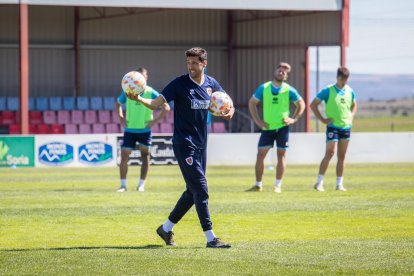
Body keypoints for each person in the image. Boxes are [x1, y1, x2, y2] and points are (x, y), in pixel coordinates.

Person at [126, 47, 235, 248]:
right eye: (188, 63)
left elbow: (228, 102)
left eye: (195, 63)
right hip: (184, 143)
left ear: (204, 63)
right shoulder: (179, 84)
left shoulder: (211, 84)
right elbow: (156, 103)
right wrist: (139, 99)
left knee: (192, 192)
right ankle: (211, 238)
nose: (191, 67)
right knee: (201, 189)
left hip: (202, 145)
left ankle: (165, 229)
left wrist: (230, 112)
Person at [246, 62, 305, 193]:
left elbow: (301, 104)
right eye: (280, 69)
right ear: (275, 71)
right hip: (267, 128)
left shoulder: (289, 89)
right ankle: (258, 185)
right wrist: (258, 121)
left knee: (281, 155)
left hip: (283, 127)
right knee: (260, 155)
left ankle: (277, 185)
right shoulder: (264, 87)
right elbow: (252, 103)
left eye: (285, 72)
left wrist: (293, 119)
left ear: (286, 76)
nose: (282, 72)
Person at [116, 67, 169, 192]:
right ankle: (123, 185)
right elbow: (118, 104)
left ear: (146, 78)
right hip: (130, 130)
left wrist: (154, 121)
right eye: (137, 77)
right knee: (124, 156)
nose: (140, 79)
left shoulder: (151, 92)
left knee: (145, 156)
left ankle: (141, 185)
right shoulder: (128, 91)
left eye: (142, 76)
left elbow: (166, 107)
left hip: (145, 131)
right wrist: (121, 119)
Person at [310, 67, 357, 192]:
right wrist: (322, 119)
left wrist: (351, 116)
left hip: (346, 127)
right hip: (332, 126)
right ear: (337, 77)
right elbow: (313, 104)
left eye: (346, 79)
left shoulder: (350, 91)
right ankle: (319, 183)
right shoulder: (328, 90)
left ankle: (339, 184)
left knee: (342, 156)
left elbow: (354, 104)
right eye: (342, 79)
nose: (344, 82)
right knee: (330, 153)